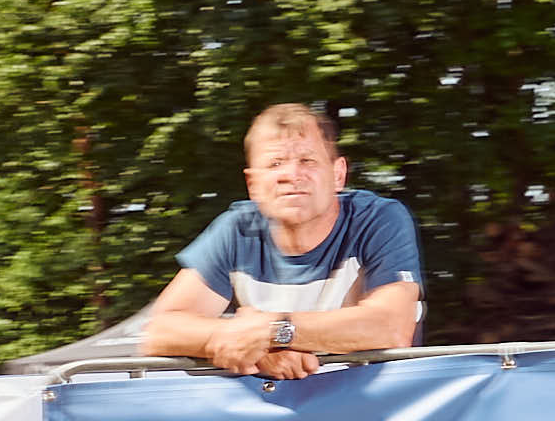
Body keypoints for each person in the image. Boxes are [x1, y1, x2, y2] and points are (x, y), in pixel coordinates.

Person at [138, 105, 420, 378]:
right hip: (274, 404)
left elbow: (392, 327)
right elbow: (160, 330)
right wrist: (253, 348)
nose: (291, 175)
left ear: (338, 174)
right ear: (253, 185)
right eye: (275, 163)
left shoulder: (378, 219)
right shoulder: (236, 230)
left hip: (368, 403)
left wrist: (274, 330)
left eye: (307, 160)